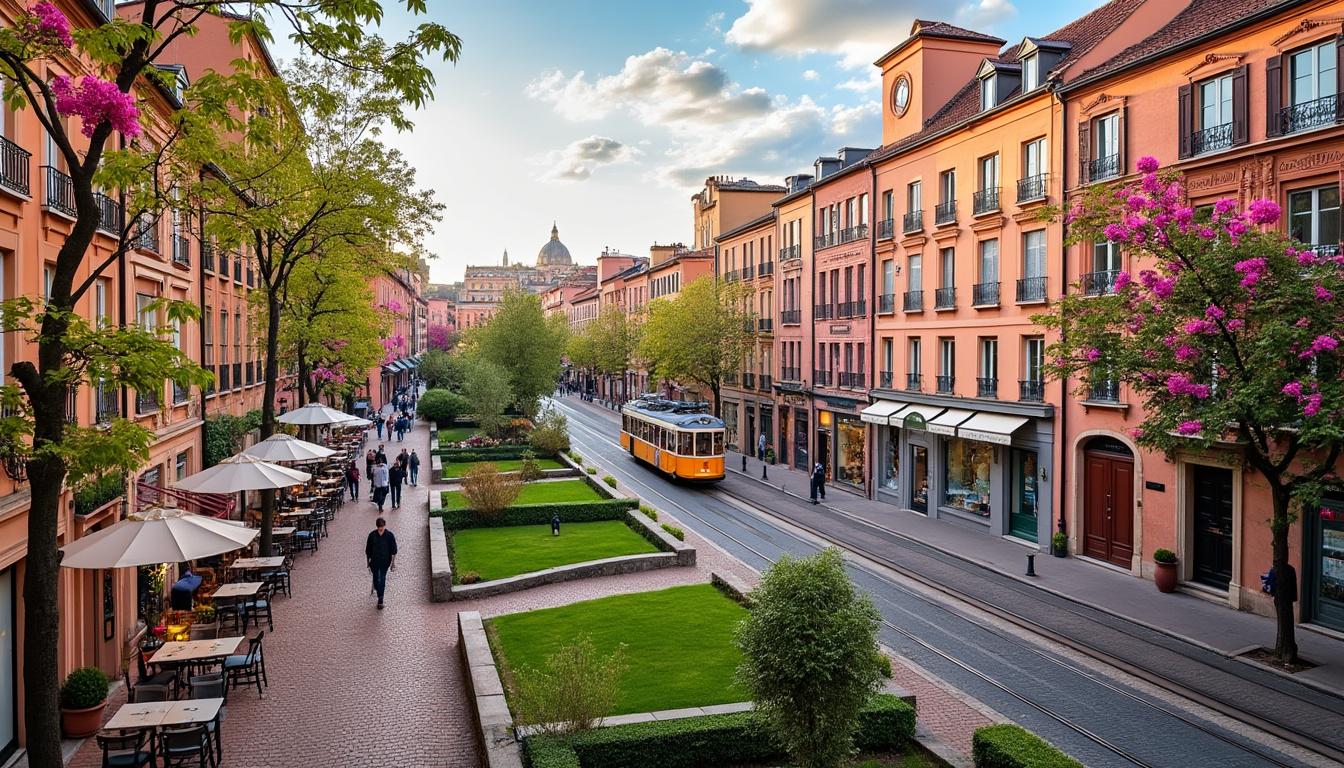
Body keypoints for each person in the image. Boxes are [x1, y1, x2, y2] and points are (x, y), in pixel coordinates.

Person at [365, 517, 398, 609]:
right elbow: (368, 550)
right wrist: (367, 562)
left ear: (384, 526)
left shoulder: (389, 535)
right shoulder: (372, 535)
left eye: (382, 527)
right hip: (374, 561)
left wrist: (393, 563)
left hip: (385, 561)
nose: (381, 529)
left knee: (382, 578)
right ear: (377, 527)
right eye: (379, 527)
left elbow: (394, 550)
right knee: (376, 578)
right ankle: (377, 588)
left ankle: (380, 599)